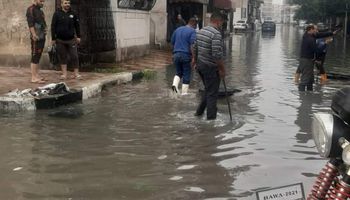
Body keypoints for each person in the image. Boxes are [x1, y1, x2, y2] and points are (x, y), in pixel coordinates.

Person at [192, 12, 225, 120]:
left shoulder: (201, 31)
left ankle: (199, 113)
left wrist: (195, 61)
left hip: (201, 66)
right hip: (210, 67)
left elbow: (194, 47)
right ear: (217, 21)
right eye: (221, 23)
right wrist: (222, 69)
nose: (221, 25)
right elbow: (216, 54)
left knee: (208, 90)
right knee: (212, 94)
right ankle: (211, 121)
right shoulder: (216, 34)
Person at [294, 24, 337, 91]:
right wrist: (325, 43)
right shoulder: (310, 39)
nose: (317, 31)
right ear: (311, 30)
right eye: (315, 29)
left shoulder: (308, 35)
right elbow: (317, 50)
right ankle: (302, 97)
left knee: (310, 80)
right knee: (304, 80)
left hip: (308, 60)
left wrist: (331, 33)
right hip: (307, 61)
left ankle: (309, 95)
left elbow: (320, 35)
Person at [51, 0, 81, 80]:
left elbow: (77, 25)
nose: (67, 4)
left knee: (74, 56)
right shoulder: (57, 14)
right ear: (61, 4)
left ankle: (76, 74)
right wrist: (53, 38)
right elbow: (53, 26)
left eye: (68, 3)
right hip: (60, 40)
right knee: (62, 57)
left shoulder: (73, 13)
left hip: (71, 39)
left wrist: (78, 36)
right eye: (65, 3)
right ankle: (64, 74)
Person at [171, 18, 197, 95]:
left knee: (179, 72)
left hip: (176, 54)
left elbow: (172, 43)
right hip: (185, 55)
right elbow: (192, 45)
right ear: (194, 24)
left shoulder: (177, 29)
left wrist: (173, 54)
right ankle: (184, 94)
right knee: (186, 73)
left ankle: (174, 86)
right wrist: (194, 58)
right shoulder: (192, 31)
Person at [26, 0, 47, 84]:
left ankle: (37, 75)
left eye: (43, 1)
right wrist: (34, 34)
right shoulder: (30, 9)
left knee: (38, 56)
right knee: (35, 55)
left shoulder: (40, 10)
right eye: (41, 1)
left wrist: (45, 29)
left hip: (42, 36)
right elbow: (30, 23)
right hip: (36, 37)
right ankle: (33, 78)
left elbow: (42, 22)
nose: (42, 3)